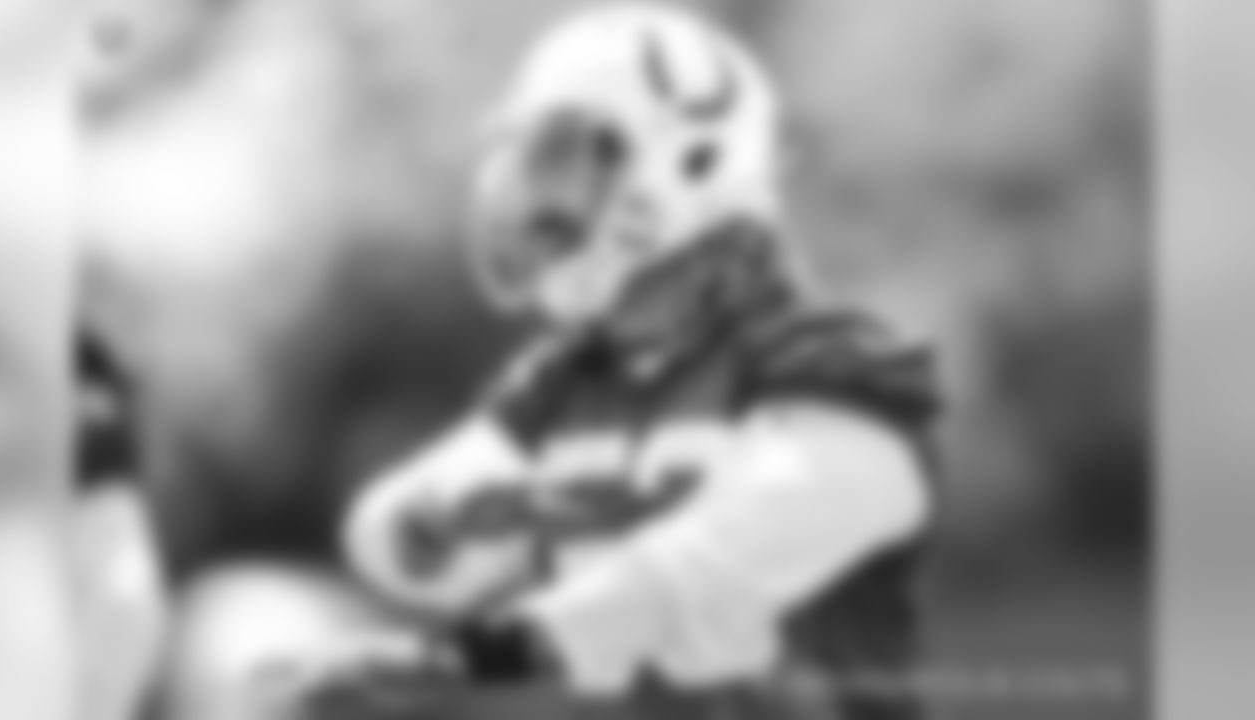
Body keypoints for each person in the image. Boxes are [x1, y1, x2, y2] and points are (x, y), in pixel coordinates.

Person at [337, 5, 941, 719]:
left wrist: (485, 651)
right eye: (539, 160)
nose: (540, 204)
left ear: (690, 163)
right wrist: (435, 525)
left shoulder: (829, 367)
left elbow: (706, 572)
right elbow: (401, 549)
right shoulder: (570, 379)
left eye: (578, 160)